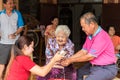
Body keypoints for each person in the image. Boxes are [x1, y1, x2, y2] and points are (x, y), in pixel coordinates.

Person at [61, 12, 118, 80]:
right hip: (93, 66)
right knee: (77, 74)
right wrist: (69, 59)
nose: (82, 29)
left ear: (92, 24)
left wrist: (70, 60)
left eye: (83, 26)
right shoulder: (90, 35)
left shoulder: (101, 36)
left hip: (107, 68)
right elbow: (83, 51)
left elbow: (89, 56)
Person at [0, 0, 24, 79]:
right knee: (1, 63)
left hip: (15, 43)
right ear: (4, 4)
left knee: (14, 63)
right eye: (9, 3)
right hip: (3, 43)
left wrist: (15, 34)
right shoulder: (0, 14)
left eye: (13, 3)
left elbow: (21, 27)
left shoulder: (17, 13)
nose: (12, 5)